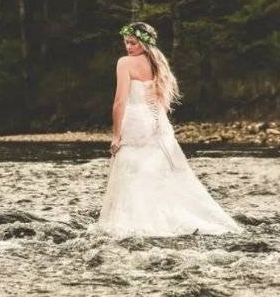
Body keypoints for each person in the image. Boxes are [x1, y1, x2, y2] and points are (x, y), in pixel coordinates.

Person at [92, 21, 243, 238]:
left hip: (136, 121)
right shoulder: (159, 63)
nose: (128, 47)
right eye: (126, 42)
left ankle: (134, 224)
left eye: (133, 42)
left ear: (144, 43)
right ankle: (161, 219)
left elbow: (119, 102)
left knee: (132, 172)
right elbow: (160, 101)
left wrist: (116, 136)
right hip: (158, 123)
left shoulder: (125, 63)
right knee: (154, 174)